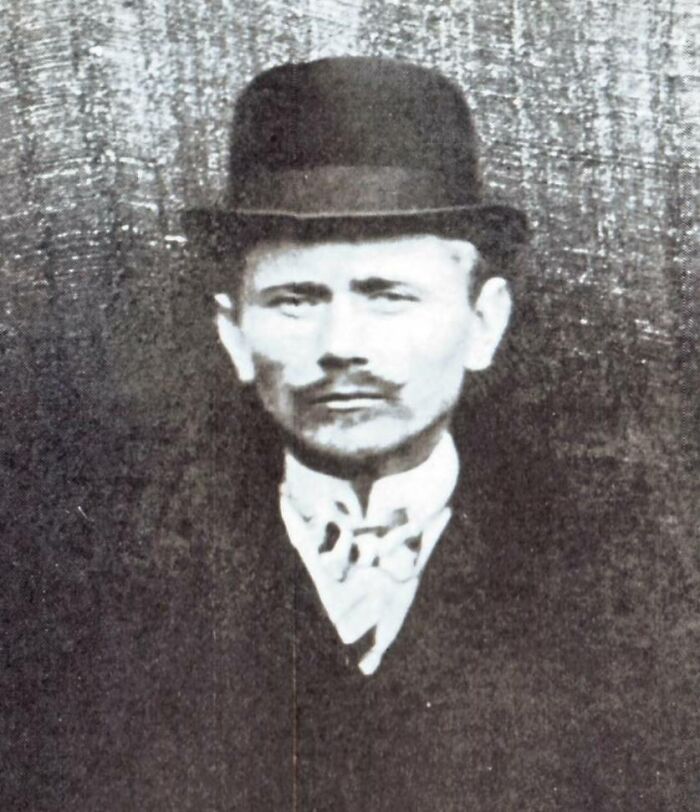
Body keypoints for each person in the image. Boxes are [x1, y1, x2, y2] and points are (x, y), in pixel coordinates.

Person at [85, 57, 675, 810]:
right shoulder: (113, 598)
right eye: (296, 299)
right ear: (234, 336)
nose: (341, 345)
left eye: (389, 295)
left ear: (483, 323)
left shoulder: (625, 590)